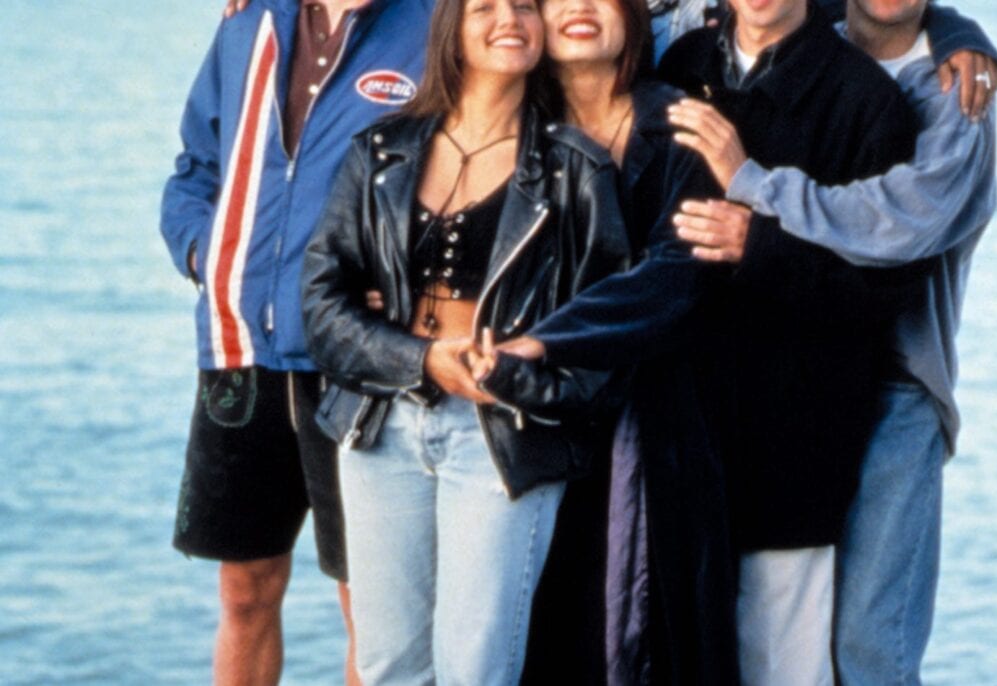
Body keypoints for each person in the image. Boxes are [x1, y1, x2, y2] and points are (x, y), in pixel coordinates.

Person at [667, 0, 997, 683]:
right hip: (788, 375)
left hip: (899, 377)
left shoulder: (957, 93)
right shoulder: (804, 29)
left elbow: (898, 224)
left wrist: (751, 188)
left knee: (869, 641)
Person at [297, 0, 631, 680]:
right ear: (453, 28)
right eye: (486, 6)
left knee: (476, 670)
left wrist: (512, 378)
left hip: (501, 435)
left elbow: (606, 332)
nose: (509, 19)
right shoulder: (381, 151)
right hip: (380, 425)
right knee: (389, 667)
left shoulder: (575, 170)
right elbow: (322, 305)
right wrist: (421, 359)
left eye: (524, 6)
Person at [456, 0, 736, 682]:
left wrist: (548, 339)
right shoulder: (512, 128)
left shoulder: (682, 123)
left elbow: (678, 275)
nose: (580, 7)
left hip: (656, 426)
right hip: (529, 417)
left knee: (646, 640)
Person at [160, 0, 431, 682]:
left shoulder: (436, 23)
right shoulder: (248, 21)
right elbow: (196, 165)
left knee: (367, 602)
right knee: (244, 590)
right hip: (239, 349)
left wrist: (408, 277)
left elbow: (471, 162)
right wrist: (204, 254)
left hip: (357, 356)